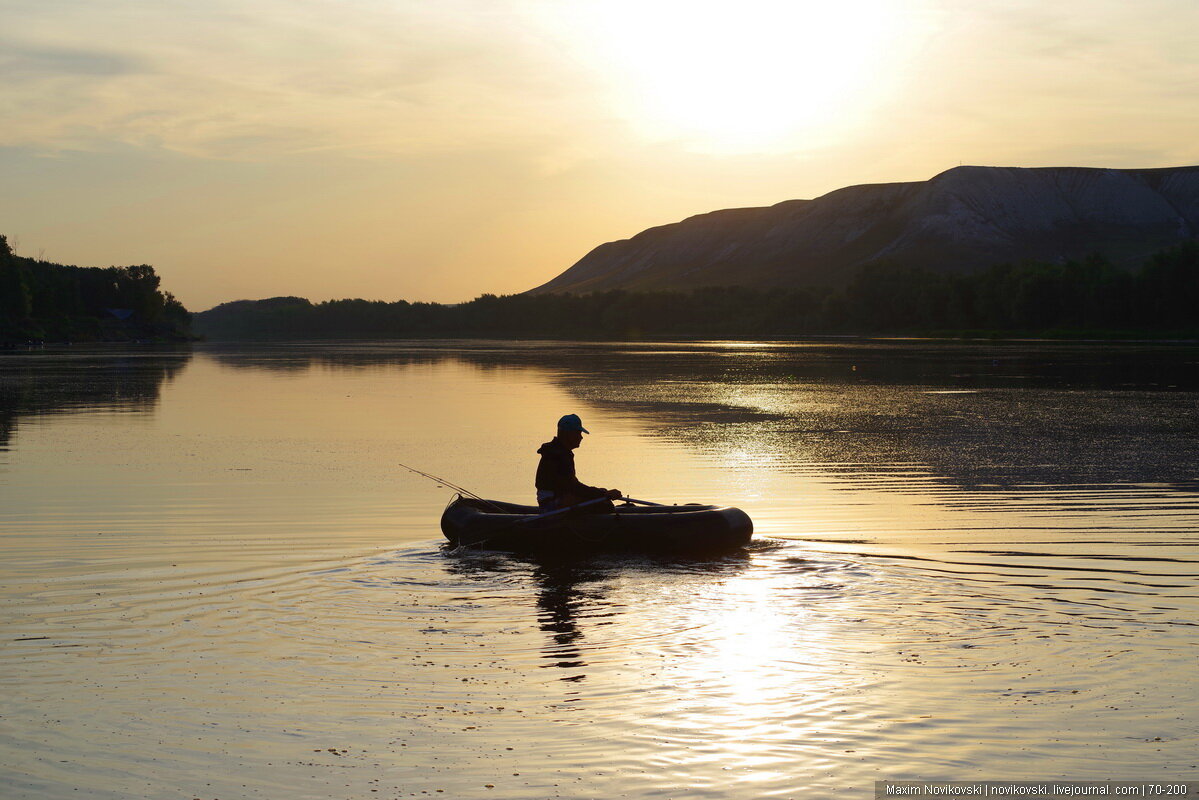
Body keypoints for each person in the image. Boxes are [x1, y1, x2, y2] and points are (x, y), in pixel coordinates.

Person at [535, 414, 622, 511]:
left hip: (552, 500)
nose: (581, 437)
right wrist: (603, 494)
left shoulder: (559, 452)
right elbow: (573, 488)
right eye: (578, 433)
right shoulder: (559, 455)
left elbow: (572, 486)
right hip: (552, 503)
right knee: (605, 505)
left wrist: (600, 492)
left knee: (602, 500)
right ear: (568, 434)